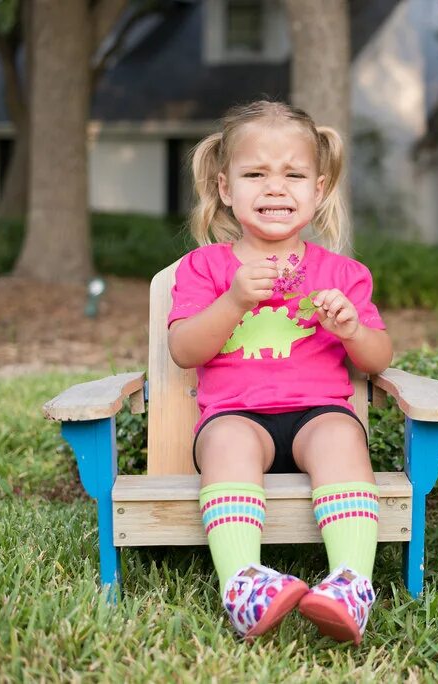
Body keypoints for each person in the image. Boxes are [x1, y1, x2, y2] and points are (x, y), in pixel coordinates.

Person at [168, 100, 392, 644]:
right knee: (227, 445)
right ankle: (244, 587)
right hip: (235, 415)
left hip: (318, 414)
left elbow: (379, 358)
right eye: (255, 174)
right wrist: (232, 302)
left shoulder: (343, 274)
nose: (275, 188)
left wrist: (351, 331)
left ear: (318, 191)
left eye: (293, 174)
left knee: (342, 436)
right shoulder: (206, 267)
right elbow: (183, 349)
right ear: (225, 188)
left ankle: (350, 587)